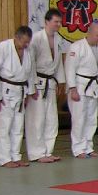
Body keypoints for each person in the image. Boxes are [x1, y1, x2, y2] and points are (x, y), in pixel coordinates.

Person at [0, 25, 34, 168]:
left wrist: (29, 92)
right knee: (4, 126)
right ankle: (4, 158)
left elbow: (30, 72)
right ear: (16, 37)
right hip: (5, 91)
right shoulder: (3, 47)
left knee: (18, 127)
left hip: (21, 91)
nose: (26, 45)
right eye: (24, 41)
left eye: (28, 42)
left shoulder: (28, 50)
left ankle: (16, 156)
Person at [25, 9, 64, 163]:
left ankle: (48, 151)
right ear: (46, 22)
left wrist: (60, 81)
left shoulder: (58, 40)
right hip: (38, 82)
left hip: (51, 82)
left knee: (51, 119)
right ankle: (36, 153)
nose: (58, 25)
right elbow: (30, 64)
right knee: (37, 119)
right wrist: (32, 86)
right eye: (55, 22)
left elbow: (59, 63)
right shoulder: (36, 38)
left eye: (60, 22)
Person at [64, 22, 98, 159]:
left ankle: (88, 147)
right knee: (79, 119)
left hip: (93, 87)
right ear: (89, 33)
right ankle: (78, 149)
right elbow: (69, 69)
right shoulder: (76, 47)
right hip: (79, 87)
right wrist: (72, 88)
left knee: (91, 119)